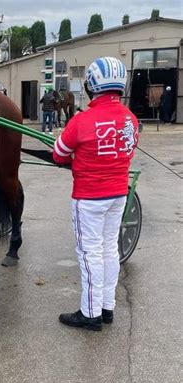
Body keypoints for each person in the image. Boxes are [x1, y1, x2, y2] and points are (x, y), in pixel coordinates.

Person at [52, 56, 139, 331]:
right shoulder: (131, 119)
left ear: (91, 85)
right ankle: (107, 307)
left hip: (89, 197)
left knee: (89, 253)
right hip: (118, 194)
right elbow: (127, 152)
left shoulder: (82, 121)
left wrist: (79, 156)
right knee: (109, 250)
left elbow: (58, 154)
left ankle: (90, 314)